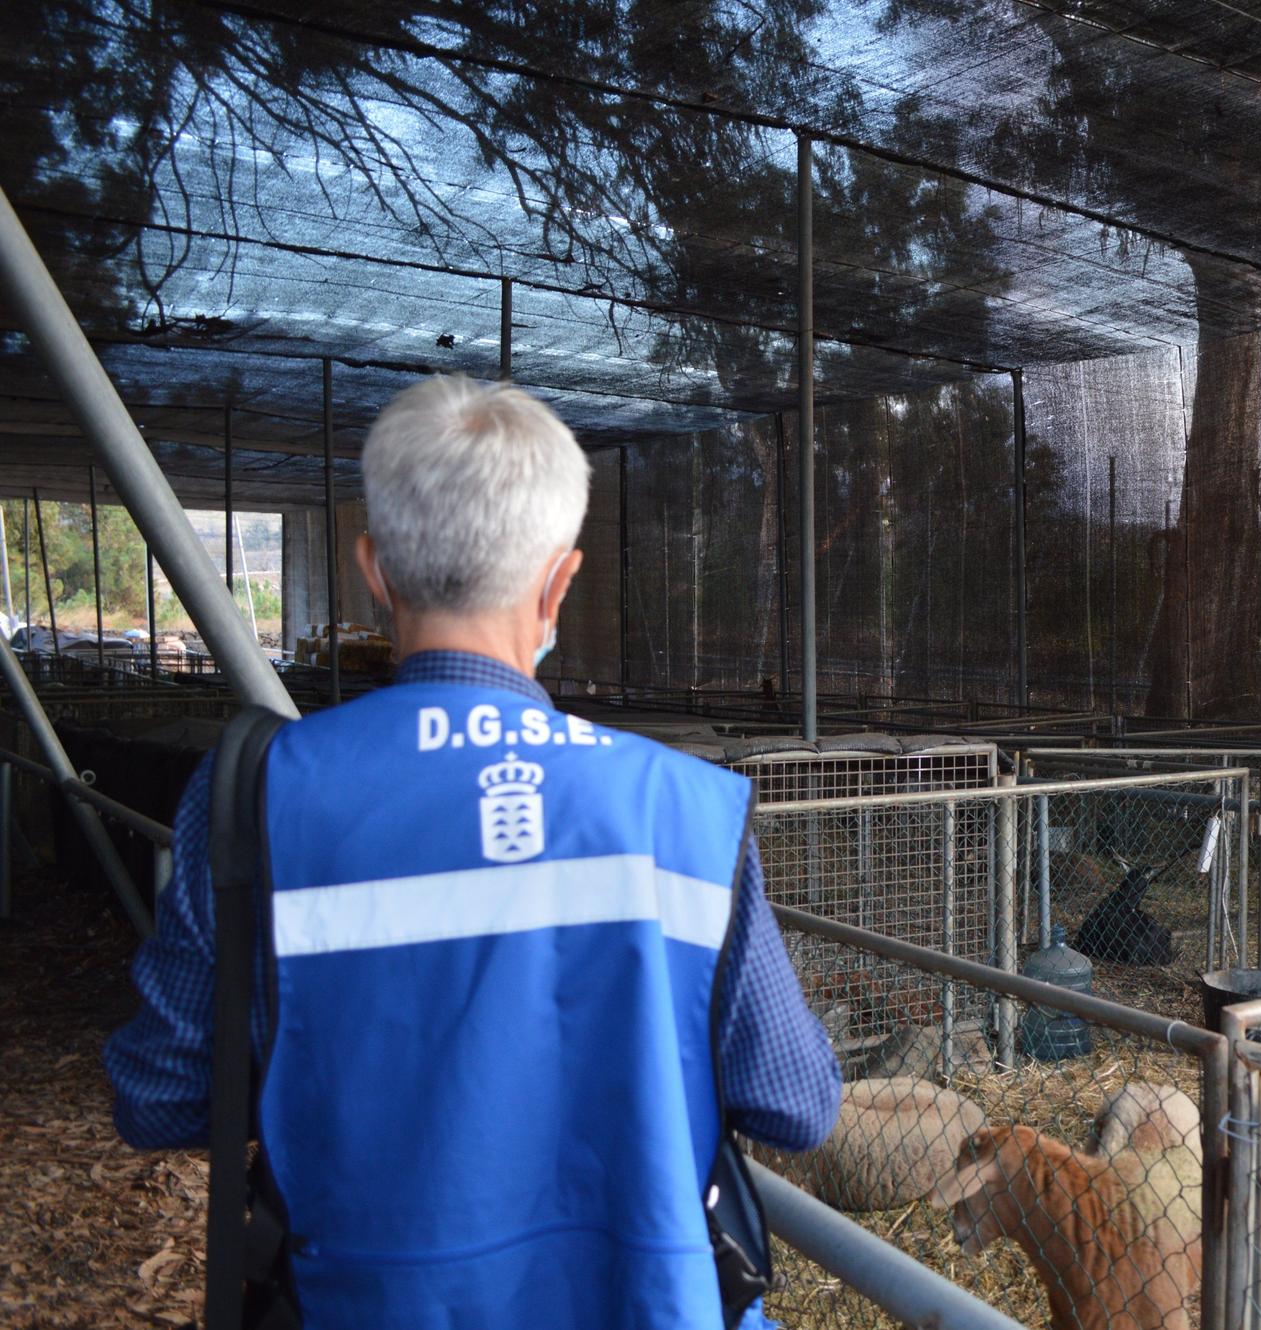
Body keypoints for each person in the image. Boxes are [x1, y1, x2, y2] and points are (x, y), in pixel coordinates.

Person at [104, 375, 840, 1328]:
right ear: (559, 582)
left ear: (373, 572)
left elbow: (159, 1094)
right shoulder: (685, 810)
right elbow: (795, 1104)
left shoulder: (257, 791)